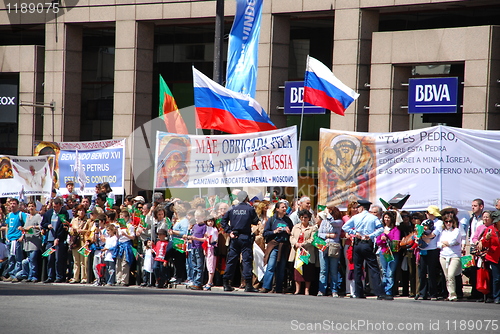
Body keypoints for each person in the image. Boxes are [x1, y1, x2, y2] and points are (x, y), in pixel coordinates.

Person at [342, 199, 386, 300]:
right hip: (367, 243)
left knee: (357, 268)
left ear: (361, 207)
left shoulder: (355, 217)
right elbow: (380, 229)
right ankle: (379, 292)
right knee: (373, 268)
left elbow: (345, 227)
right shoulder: (372, 217)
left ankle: (358, 292)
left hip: (357, 244)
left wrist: (354, 232)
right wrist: (370, 236)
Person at [221, 191, 259, 292]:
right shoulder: (250, 209)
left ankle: (226, 283)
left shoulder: (232, 208)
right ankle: (248, 285)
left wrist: (229, 231)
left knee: (231, 260)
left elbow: (223, 221)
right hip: (245, 237)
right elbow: (255, 221)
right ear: (246, 198)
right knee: (246, 261)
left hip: (234, 236)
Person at [261, 201, 293, 293]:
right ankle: (266, 286)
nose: (284, 209)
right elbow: (265, 233)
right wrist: (275, 231)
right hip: (274, 245)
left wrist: (288, 232)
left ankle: (278, 287)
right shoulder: (272, 220)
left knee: (281, 267)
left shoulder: (288, 220)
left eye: (285, 207)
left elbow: (292, 232)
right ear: (277, 209)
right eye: (282, 207)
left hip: (284, 246)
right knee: (271, 265)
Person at [415, 205, 443, 300]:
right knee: (422, 272)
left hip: (433, 249)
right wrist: (419, 236)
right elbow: (419, 232)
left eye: (429, 213)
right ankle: (423, 293)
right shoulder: (423, 222)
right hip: (423, 249)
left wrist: (422, 237)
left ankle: (433, 293)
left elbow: (433, 235)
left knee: (431, 272)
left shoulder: (439, 223)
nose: (427, 214)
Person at [317, 205, 343, 297]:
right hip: (324, 245)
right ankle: (322, 289)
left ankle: (334, 290)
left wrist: (328, 215)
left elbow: (333, 223)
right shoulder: (324, 221)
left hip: (334, 246)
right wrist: (328, 235)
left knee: (333, 269)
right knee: (323, 269)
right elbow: (319, 233)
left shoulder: (339, 221)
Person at [289, 209, 318, 295]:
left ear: (309, 218)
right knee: (297, 270)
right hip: (297, 251)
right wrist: (296, 243)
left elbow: (312, 239)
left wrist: (303, 244)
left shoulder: (312, 228)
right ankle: (297, 289)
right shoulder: (296, 226)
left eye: (305, 217)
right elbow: (292, 236)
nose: (303, 219)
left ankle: (306, 290)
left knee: (308, 271)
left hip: (307, 251)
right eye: (301, 217)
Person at [41, 197, 69, 283]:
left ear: (60, 205)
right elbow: (43, 223)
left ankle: (59, 276)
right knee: (50, 258)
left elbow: (63, 227)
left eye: (56, 206)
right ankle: (50, 276)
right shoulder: (49, 213)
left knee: (58, 259)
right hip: (50, 239)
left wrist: (58, 238)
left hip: (58, 240)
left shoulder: (64, 213)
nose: (55, 208)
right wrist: (47, 225)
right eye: (53, 206)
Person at [376, 211, 401, 300]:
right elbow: (378, 242)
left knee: (390, 272)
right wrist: (382, 238)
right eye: (385, 217)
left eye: (388, 218)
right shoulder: (381, 229)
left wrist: (387, 235)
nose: (386, 219)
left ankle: (389, 292)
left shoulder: (395, 230)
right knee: (384, 272)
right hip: (383, 251)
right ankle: (382, 291)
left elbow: (396, 241)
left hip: (392, 253)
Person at [437, 214, 463, 301]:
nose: (448, 223)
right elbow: (438, 243)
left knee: (451, 274)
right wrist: (444, 243)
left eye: (450, 221)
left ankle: (453, 294)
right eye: (446, 221)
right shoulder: (443, 232)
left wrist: (445, 243)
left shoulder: (456, 231)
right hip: (443, 255)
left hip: (454, 255)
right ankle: (450, 294)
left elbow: (453, 241)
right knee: (447, 276)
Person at [479, 210, 500, 304]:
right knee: (497, 278)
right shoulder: (490, 229)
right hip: (494, 256)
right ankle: (496, 296)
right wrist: (486, 238)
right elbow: (484, 244)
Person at [4, 198, 27, 282]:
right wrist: (6, 236)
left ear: (17, 205)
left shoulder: (21, 214)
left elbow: (26, 226)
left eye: (14, 203)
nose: (12, 205)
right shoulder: (9, 215)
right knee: (11, 258)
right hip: (10, 240)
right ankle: (11, 274)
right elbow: (7, 226)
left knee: (18, 258)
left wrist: (22, 236)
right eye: (11, 204)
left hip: (17, 239)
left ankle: (17, 274)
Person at [21, 202, 43, 282]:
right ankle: (29, 276)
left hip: (35, 242)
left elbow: (41, 226)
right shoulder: (27, 217)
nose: (31, 208)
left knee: (33, 259)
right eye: (29, 206)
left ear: (35, 207)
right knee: (29, 260)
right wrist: (22, 228)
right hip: (27, 242)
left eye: (32, 206)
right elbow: (26, 228)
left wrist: (33, 227)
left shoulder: (37, 216)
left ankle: (34, 276)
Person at [186, 209, 207, 290]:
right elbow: (191, 235)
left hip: (199, 247)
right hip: (193, 247)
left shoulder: (204, 227)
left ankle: (198, 282)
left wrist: (196, 238)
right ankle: (194, 281)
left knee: (199, 266)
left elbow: (205, 239)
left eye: (198, 218)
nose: (196, 219)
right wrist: (189, 238)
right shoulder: (195, 226)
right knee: (194, 265)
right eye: (196, 218)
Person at [69, 205, 90, 284]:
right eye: (80, 210)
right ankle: (75, 277)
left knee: (84, 261)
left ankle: (84, 277)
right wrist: (74, 230)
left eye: (83, 210)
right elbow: (70, 231)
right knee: (76, 261)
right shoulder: (74, 220)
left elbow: (89, 230)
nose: (81, 212)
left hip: (83, 242)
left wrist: (82, 231)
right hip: (75, 242)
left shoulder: (87, 220)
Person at [114, 210, 135, 286]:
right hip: (120, 245)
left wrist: (125, 235)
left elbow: (132, 237)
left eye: (122, 217)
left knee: (124, 263)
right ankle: (118, 279)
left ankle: (124, 280)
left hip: (126, 245)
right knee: (118, 263)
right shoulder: (119, 226)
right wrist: (116, 231)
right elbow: (118, 237)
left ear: (126, 217)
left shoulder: (130, 226)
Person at [204, 216, 218, 291]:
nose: (210, 223)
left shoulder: (214, 230)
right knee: (208, 265)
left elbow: (214, 241)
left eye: (211, 221)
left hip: (212, 248)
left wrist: (209, 236)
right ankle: (209, 281)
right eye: (209, 221)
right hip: (207, 248)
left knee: (211, 264)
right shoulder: (206, 229)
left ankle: (210, 281)